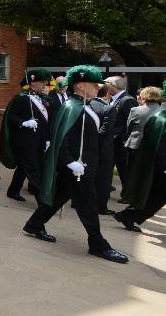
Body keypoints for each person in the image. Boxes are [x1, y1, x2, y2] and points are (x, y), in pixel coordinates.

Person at [22, 65, 128, 264]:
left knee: (60, 196)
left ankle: (35, 224)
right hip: (76, 168)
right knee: (88, 205)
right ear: (80, 86)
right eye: (93, 84)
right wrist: (70, 162)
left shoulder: (87, 105)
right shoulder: (72, 107)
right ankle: (98, 244)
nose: (98, 87)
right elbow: (62, 140)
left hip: (83, 166)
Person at [114, 93, 166, 232]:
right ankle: (128, 215)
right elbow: (161, 147)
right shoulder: (161, 118)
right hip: (161, 166)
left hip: (155, 165)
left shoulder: (159, 116)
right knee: (157, 196)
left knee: (155, 196)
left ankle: (128, 215)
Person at [0, 69, 53, 202]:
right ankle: (42, 199)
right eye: (42, 82)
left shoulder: (41, 98)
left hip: (38, 139)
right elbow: (11, 116)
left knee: (24, 167)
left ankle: (13, 190)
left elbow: (45, 120)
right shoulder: (22, 97)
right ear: (33, 82)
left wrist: (47, 139)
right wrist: (24, 122)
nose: (44, 85)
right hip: (25, 140)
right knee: (34, 168)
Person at [106, 76, 138, 202]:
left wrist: (121, 136)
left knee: (124, 169)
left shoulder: (126, 100)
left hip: (121, 143)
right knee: (108, 167)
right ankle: (105, 190)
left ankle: (128, 196)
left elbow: (131, 122)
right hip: (112, 142)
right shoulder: (114, 99)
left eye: (107, 84)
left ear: (115, 86)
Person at [89, 85, 118, 215]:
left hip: (90, 148)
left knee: (90, 176)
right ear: (106, 94)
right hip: (104, 149)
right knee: (104, 180)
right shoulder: (109, 108)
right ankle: (101, 206)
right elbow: (107, 129)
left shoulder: (88, 104)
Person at [123, 86, 163, 166]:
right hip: (156, 146)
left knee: (132, 170)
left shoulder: (135, 110)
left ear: (143, 95)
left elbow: (128, 128)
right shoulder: (162, 111)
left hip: (135, 144)